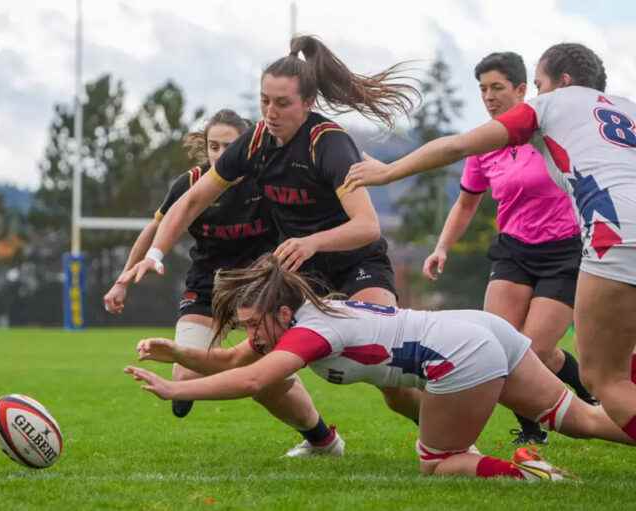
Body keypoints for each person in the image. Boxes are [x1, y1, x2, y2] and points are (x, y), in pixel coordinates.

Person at [118, 35, 423, 433]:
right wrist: (155, 255)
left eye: (282, 103)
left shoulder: (327, 144)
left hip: (356, 264)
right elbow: (192, 201)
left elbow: (367, 227)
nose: (270, 111)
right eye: (264, 100)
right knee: (260, 362)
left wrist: (312, 241)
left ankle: (450, 432)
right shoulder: (256, 142)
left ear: (308, 103)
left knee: (385, 370)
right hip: (301, 273)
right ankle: (320, 440)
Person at [344, 43, 636, 444]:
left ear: (564, 84)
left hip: (611, 240)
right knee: (606, 360)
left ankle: (577, 414)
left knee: (604, 377)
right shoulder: (626, 108)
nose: (536, 93)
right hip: (539, 248)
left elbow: (456, 145)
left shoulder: (549, 108)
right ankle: (539, 425)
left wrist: (388, 171)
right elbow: (467, 196)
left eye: (539, 83)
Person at [125, 254, 634, 480]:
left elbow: (255, 378)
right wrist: (181, 356)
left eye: (256, 324)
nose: (252, 335)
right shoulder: (302, 319)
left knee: (437, 461)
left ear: (282, 312)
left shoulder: (310, 330)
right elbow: (239, 359)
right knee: (582, 418)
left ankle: (532, 475)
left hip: (458, 350)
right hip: (476, 328)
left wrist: (175, 392)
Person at [104, 108, 343, 457]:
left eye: (227, 146)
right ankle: (266, 374)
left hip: (260, 288)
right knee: (186, 379)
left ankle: (322, 440)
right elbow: (155, 229)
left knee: (267, 382)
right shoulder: (190, 184)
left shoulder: (268, 180)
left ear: (246, 146)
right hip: (208, 285)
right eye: (213, 146)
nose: (220, 154)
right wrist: (122, 280)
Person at [421, 52, 594, 445]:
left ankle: (587, 393)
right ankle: (533, 430)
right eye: (482, 89)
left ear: (521, 90)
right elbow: (466, 203)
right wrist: (442, 247)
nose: (488, 96)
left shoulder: (552, 133)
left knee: (535, 350)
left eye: (497, 87)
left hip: (565, 251)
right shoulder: (485, 144)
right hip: (514, 250)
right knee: (497, 344)